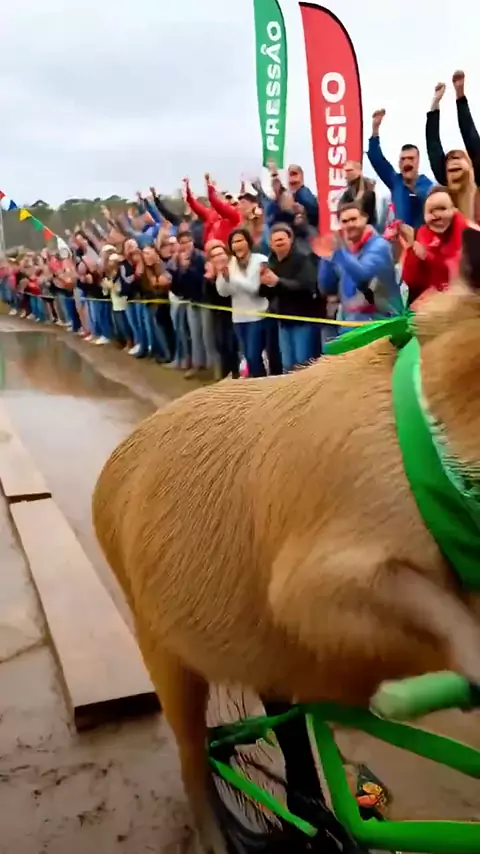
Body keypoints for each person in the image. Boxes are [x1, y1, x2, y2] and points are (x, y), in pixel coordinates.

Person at [318, 200, 403, 329]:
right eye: (345, 221)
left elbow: (363, 275)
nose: (350, 225)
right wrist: (326, 258)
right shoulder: (345, 251)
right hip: (351, 325)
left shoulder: (379, 245)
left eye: (354, 219)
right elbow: (326, 287)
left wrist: (338, 252)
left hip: (381, 324)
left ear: (365, 219)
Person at [259, 224, 323, 372]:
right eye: (275, 240)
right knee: (287, 364)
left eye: (282, 239)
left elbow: (307, 285)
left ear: (290, 240)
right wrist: (262, 283)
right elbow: (265, 294)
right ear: (271, 244)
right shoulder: (271, 262)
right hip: (283, 320)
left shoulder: (303, 258)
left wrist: (278, 282)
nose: (279, 242)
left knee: (303, 364)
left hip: (302, 319)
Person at [214, 228, 269, 378]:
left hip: (258, 316)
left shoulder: (260, 260)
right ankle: (256, 383)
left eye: (240, 241)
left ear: (248, 242)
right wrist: (223, 277)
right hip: (238, 318)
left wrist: (232, 278)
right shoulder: (230, 263)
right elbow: (224, 292)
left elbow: (253, 287)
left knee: (253, 355)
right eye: (233, 242)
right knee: (247, 357)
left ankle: (261, 384)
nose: (237, 245)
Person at [402, 186, 468, 306]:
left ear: (454, 210)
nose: (437, 215)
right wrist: (415, 257)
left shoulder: (469, 235)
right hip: (429, 305)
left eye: (442, 209)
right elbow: (410, 280)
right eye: (432, 211)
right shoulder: (420, 236)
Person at [368, 109, 433, 228]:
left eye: (411, 158)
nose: (406, 162)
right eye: (403, 159)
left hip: (421, 237)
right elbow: (376, 159)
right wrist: (375, 129)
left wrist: (414, 189)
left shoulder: (427, 185)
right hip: (399, 237)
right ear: (399, 163)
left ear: (418, 161)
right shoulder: (396, 181)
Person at [426, 79, 479, 221]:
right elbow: (433, 146)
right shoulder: (443, 193)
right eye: (450, 159)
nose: (453, 161)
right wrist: (435, 104)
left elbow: (471, 138)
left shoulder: (477, 182)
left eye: (458, 158)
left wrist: (460, 96)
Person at [169, 230, 217, 379]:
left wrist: (187, 268)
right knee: (195, 335)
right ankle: (197, 365)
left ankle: (214, 368)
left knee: (208, 335)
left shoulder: (201, 257)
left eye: (188, 241)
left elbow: (202, 281)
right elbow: (178, 285)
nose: (186, 245)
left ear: (193, 242)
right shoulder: (178, 260)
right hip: (190, 300)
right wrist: (180, 269)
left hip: (205, 301)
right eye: (182, 242)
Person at [204, 239, 240, 380]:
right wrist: (210, 280)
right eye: (214, 256)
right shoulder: (212, 274)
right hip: (220, 315)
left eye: (220, 254)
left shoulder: (234, 269)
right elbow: (208, 298)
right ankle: (226, 376)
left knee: (234, 347)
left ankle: (236, 375)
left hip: (236, 314)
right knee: (222, 346)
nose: (218, 258)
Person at [340, 161, 377, 227]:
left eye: (349, 170)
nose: (346, 174)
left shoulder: (369, 191)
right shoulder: (348, 191)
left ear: (359, 171)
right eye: (345, 171)